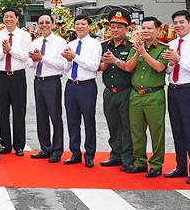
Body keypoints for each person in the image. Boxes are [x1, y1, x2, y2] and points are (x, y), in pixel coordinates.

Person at [162, 10, 190, 184]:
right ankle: (181, 166)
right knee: (177, 130)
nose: (178, 25)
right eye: (175, 22)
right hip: (173, 89)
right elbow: (168, 70)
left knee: (189, 131)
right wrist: (171, 63)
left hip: (188, 90)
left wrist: (179, 59)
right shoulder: (172, 43)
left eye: (182, 22)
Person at [121, 18, 170, 177]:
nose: (146, 31)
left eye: (150, 28)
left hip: (154, 95)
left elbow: (159, 67)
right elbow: (128, 68)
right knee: (136, 131)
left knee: (156, 131)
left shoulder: (163, 48)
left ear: (158, 30)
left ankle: (156, 164)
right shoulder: (135, 47)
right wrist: (137, 53)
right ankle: (140, 162)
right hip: (136, 95)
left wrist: (144, 54)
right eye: (144, 28)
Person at [61, 15, 101, 167]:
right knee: (72, 121)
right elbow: (66, 67)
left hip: (87, 86)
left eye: (83, 24)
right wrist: (68, 59)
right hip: (71, 85)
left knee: (88, 121)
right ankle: (75, 152)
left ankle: (89, 154)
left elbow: (93, 66)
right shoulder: (71, 43)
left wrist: (75, 57)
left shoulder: (94, 45)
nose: (79, 27)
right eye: (77, 24)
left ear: (89, 26)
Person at [0, 7, 31, 156]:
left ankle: (19, 145)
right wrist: (3, 52)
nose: (8, 19)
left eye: (11, 16)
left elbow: (26, 56)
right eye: (6, 17)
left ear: (17, 18)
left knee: (19, 111)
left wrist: (11, 49)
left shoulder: (24, 36)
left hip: (18, 77)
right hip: (2, 77)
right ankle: (5, 144)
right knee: (2, 111)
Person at [27, 13, 67, 162]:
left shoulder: (60, 42)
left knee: (55, 116)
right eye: (41, 23)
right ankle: (45, 148)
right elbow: (29, 64)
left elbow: (61, 64)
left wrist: (42, 58)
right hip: (38, 80)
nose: (44, 25)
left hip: (52, 81)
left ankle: (57, 150)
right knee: (41, 116)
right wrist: (34, 59)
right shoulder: (36, 42)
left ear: (52, 24)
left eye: (47, 22)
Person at [98, 11, 134, 169]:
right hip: (109, 91)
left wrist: (114, 60)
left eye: (119, 27)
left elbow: (132, 68)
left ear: (126, 29)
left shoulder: (132, 46)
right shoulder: (104, 46)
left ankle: (127, 158)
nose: (115, 30)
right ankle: (115, 154)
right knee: (113, 125)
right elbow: (98, 67)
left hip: (125, 91)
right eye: (112, 27)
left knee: (127, 126)